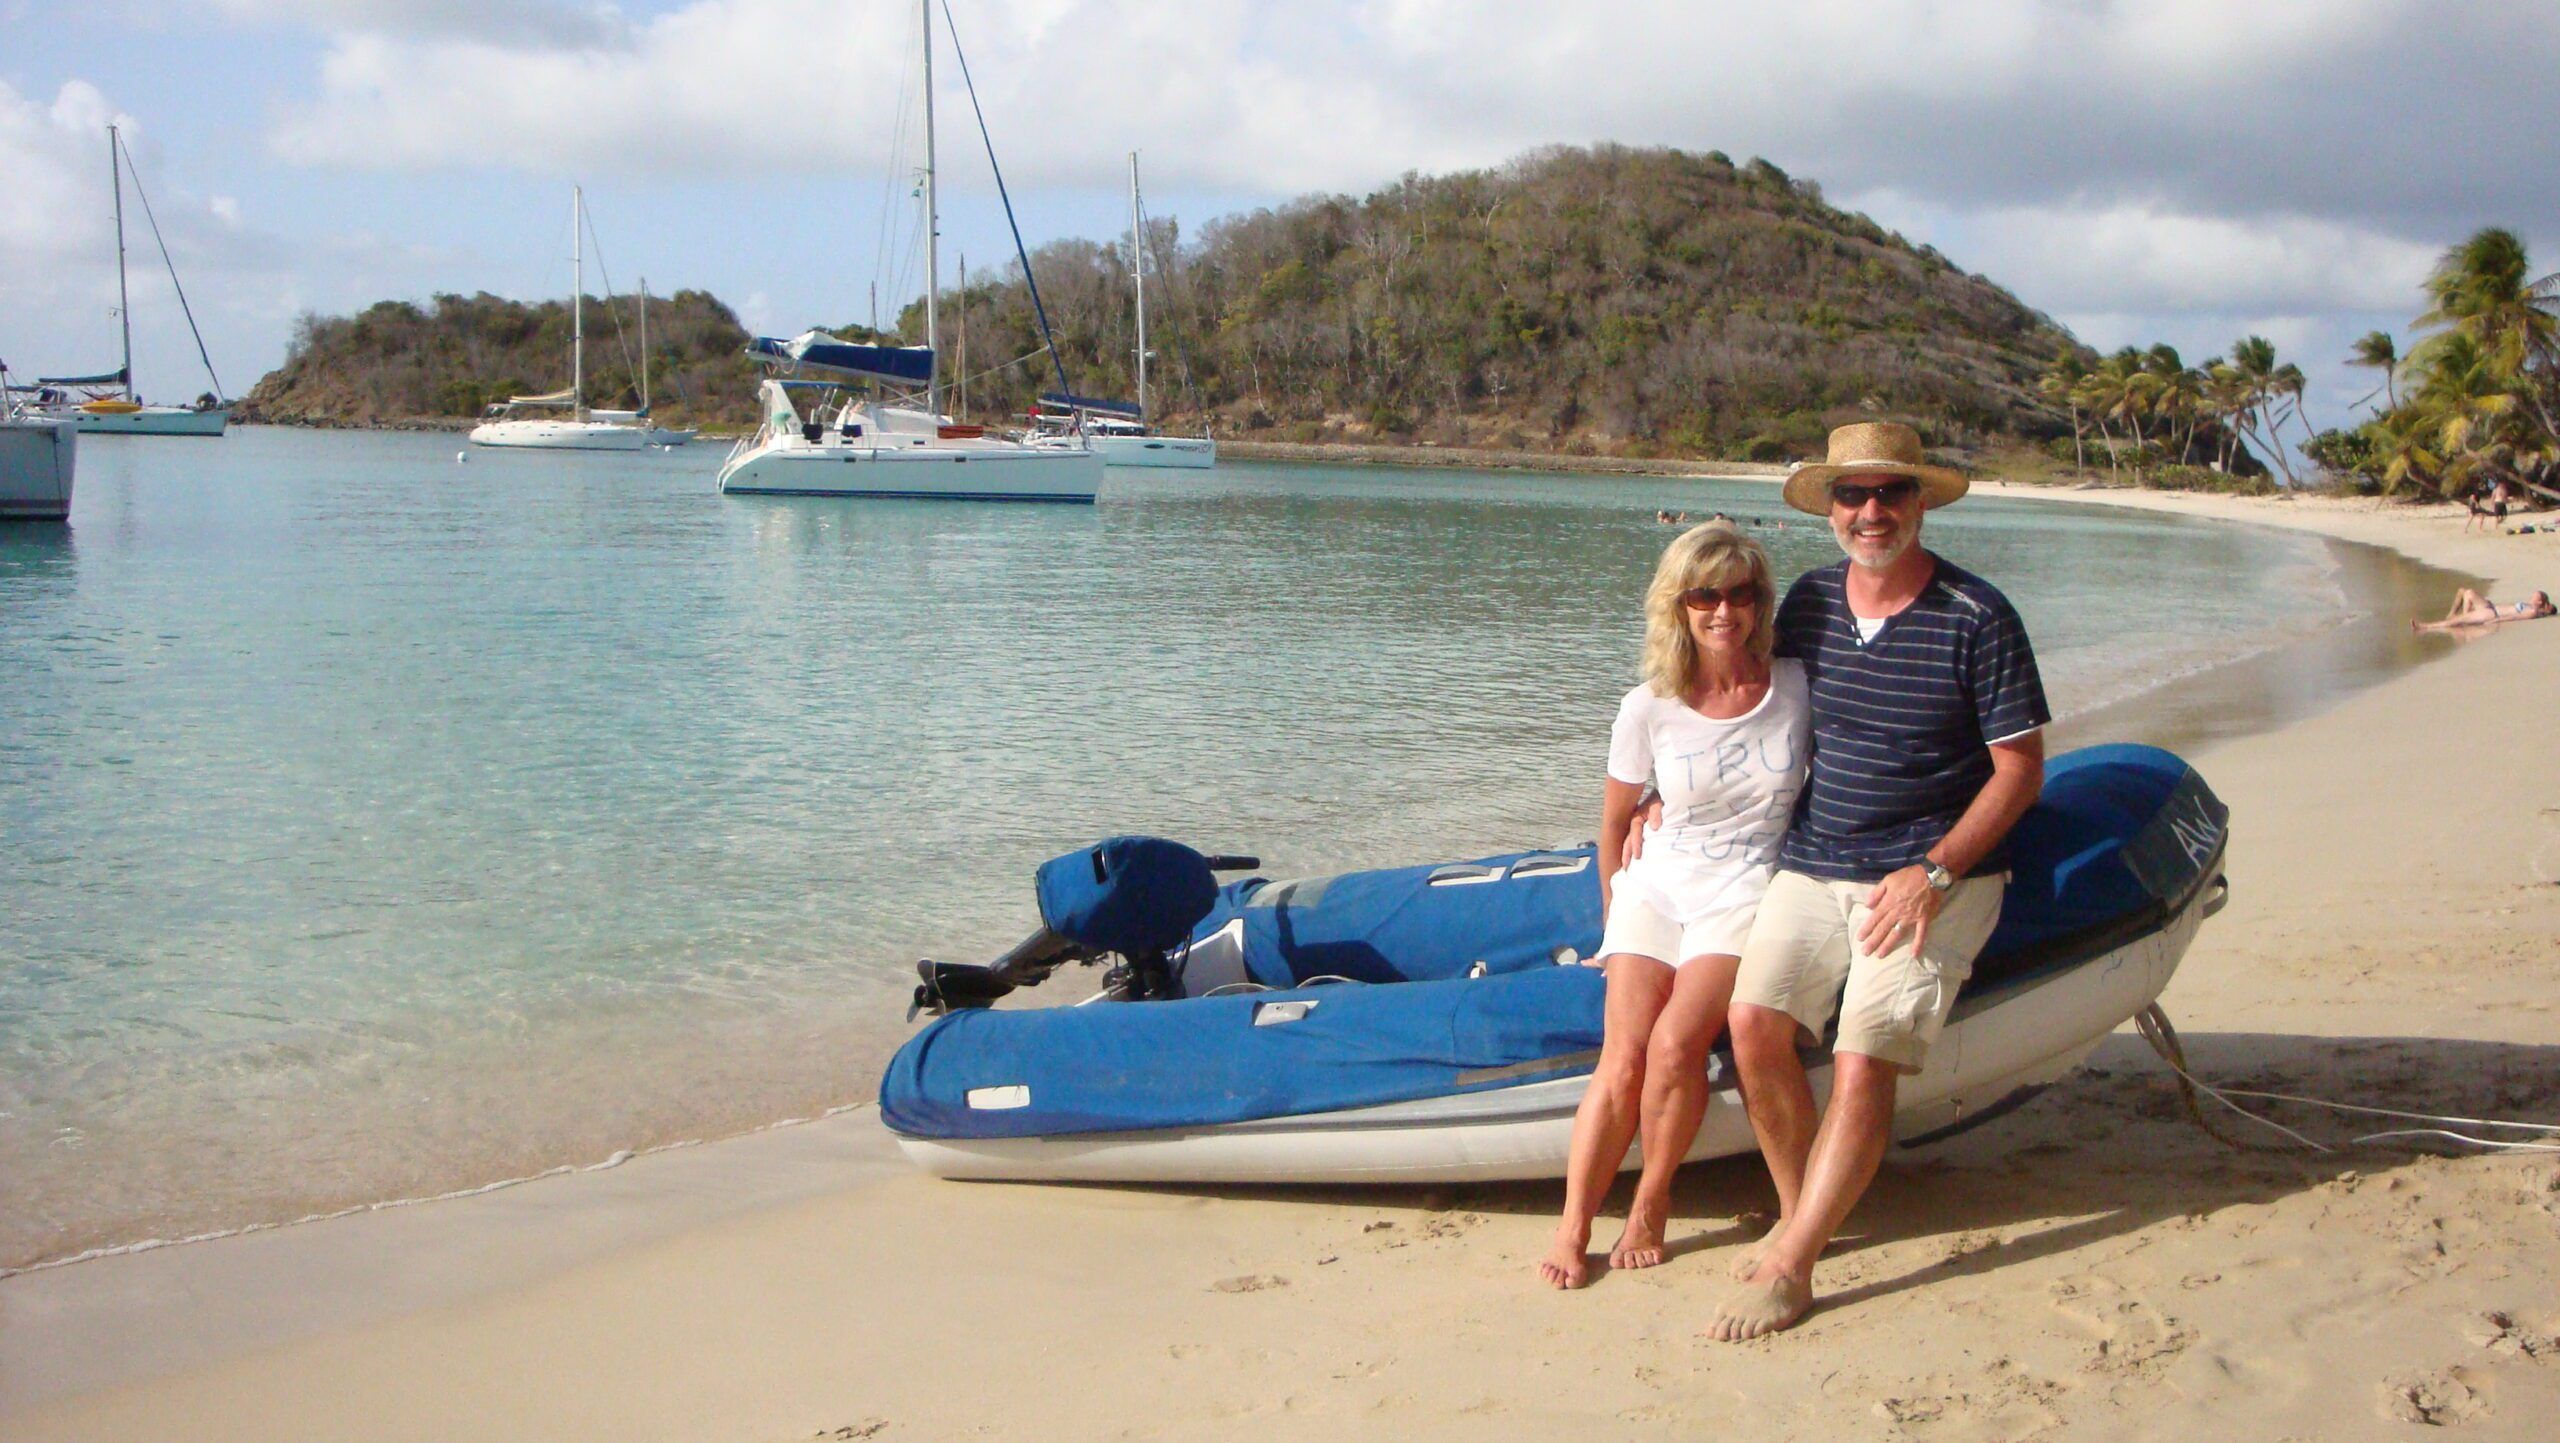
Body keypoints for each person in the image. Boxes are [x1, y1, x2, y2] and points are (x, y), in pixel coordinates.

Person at [1656, 422, 2050, 1340]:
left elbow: (2020, 770)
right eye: (1851, 495)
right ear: (1829, 509)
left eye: (1889, 494)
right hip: (1814, 856)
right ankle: (1807, 1214)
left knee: (1864, 1049)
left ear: (1919, 503)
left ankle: (1791, 1267)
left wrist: (1935, 871)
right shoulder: (1811, 601)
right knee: (1754, 1026)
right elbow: (1732, 699)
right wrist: (1652, 797)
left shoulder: (1976, 615)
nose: (1870, 512)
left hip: (1930, 873)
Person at [1536, 522, 1809, 1290]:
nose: (1724, 610)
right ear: (1679, 605)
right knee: (1621, 1055)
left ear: (1760, 600)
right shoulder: (1647, 706)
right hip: (1657, 884)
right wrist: (1611, 924)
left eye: (1740, 593)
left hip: (1745, 886)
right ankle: (1573, 1225)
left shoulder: (1796, 685)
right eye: (1705, 595)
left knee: (1675, 1045)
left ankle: (1650, 1203)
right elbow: (1615, 822)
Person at [2414, 587, 2555, 631]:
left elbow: (2514, 617)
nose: (2531, 597)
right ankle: (2454, 615)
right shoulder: (2530, 606)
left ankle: (2425, 626)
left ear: (2540, 601)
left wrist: (2496, 620)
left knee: (2456, 622)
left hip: (2491, 614)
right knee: (2466, 592)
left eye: (2534, 597)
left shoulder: (2533, 611)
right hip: (2490, 608)